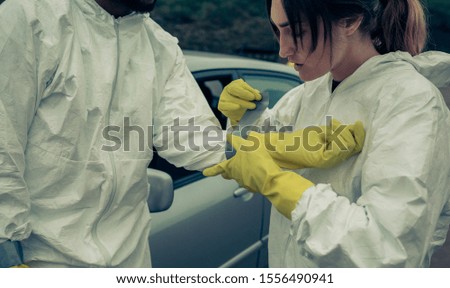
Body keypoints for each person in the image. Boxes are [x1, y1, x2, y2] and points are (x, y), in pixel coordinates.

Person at [204, 0, 450, 267]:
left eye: (296, 32)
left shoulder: (412, 102)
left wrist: (281, 185)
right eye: (278, 32)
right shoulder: (307, 94)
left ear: (349, 21)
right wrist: (244, 120)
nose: (283, 49)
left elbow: (388, 251)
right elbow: (249, 148)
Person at [0, 0, 231, 268]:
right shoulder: (30, 17)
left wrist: (248, 142)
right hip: (42, 259)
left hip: (129, 260)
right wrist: (6, 252)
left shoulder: (160, 46)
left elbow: (190, 138)